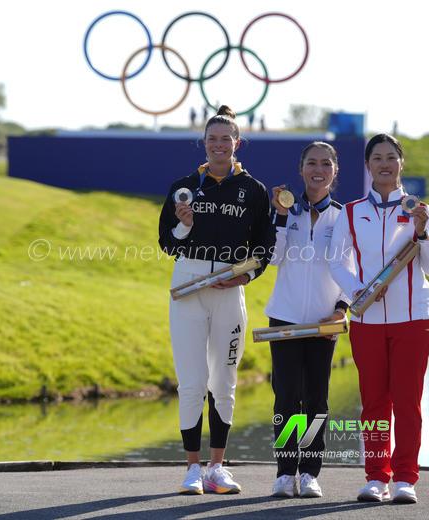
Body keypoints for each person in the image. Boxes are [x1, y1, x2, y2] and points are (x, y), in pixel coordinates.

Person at [158, 105, 274, 495]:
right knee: (192, 382)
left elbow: (265, 245)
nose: (219, 145)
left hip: (229, 287)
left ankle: (217, 466)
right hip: (189, 283)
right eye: (213, 139)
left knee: (223, 381)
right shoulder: (184, 185)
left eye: (226, 139)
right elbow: (166, 242)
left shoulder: (254, 190)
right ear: (203, 143)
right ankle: (192, 468)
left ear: (237, 143)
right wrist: (184, 224)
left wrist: (246, 273)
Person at [328, 134, 429, 504]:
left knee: (407, 401)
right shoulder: (351, 211)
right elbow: (336, 261)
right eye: (377, 157)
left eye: (391, 157)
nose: (384, 163)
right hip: (367, 323)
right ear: (368, 165)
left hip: (413, 319)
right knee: (374, 402)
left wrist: (423, 232)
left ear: (401, 163)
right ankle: (377, 477)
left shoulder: (419, 209)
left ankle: (406, 478)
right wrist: (359, 290)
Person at [265, 142, 349, 498]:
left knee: (316, 399)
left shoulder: (344, 217)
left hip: (323, 322)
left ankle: (310, 472)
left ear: (335, 171)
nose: (318, 169)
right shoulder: (284, 210)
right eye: (311, 163)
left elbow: (351, 269)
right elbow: (272, 258)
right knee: (286, 398)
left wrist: (343, 308)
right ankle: (285, 473)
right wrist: (281, 217)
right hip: (284, 317)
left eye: (325, 164)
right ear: (301, 169)